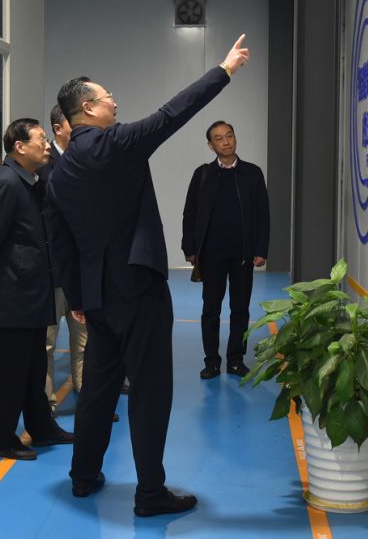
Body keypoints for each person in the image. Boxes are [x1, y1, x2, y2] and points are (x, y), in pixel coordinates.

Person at [46, 35, 250, 517]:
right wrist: (224, 69)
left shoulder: (60, 174)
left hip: (97, 296)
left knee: (98, 389)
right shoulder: (119, 143)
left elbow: (61, 244)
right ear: (89, 108)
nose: (115, 102)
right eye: (108, 96)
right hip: (139, 287)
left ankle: (83, 476)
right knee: (150, 390)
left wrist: (78, 297)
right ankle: (150, 492)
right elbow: (175, 111)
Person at [0, 118, 73, 460]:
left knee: (32, 369)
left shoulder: (31, 181)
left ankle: (42, 428)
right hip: (11, 298)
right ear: (19, 147)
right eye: (41, 139)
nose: (47, 145)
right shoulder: (7, 183)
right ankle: (1, 438)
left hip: (30, 295)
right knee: (11, 374)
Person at [181, 121, 270, 380]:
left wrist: (261, 249)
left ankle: (235, 360)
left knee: (240, 309)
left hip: (243, 254)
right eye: (219, 138)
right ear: (211, 145)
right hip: (211, 254)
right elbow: (190, 213)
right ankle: (211, 362)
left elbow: (263, 215)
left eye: (229, 135)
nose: (226, 141)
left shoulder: (252, 173)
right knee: (211, 309)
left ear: (235, 138)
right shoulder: (203, 174)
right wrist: (190, 247)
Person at [37, 105, 87, 410]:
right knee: (48, 341)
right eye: (74, 123)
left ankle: (89, 397)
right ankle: (47, 404)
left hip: (81, 268)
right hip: (52, 270)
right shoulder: (42, 166)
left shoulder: (85, 158)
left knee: (85, 339)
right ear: (58, 129)